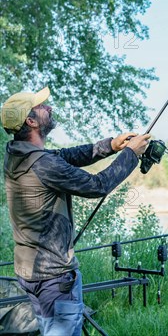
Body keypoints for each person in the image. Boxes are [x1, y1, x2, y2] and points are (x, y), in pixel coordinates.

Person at [1, 86, 150, 336]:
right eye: (41, 107)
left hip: (30, 272)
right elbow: (97, 185)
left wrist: (110, 145)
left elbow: (65, 156)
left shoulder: (15, 154)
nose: (48, 107)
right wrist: (130, 154)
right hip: (54, 277)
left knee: (49, 328)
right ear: (31, 120)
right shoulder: (43, 163)